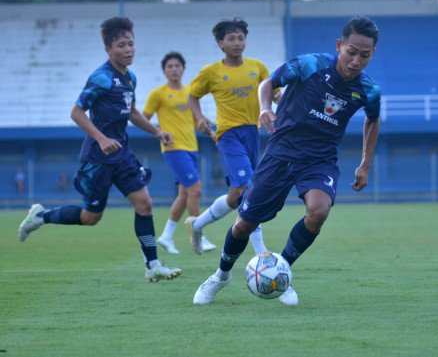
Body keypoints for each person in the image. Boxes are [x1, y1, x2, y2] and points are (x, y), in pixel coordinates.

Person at [192, 16, 381, 306]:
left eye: (364, 55)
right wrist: (265, 108)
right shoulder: (310, 64)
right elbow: (269, 82)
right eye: (351, 52)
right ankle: (220, 275)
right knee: (244, 224)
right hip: (281, 153)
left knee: (318, 211)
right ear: (339, 45)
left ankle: (282, 271)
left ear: (372, 54)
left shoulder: (368, 90)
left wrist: (365, 162)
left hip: (320, 159)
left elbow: (372, 119)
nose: (356, 60)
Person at [18, 16, 182, 283]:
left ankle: (152, 266)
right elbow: (76, 112)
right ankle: (41, 216)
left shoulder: (130, 78)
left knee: (145, 204)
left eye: (131, 44)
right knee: (90, 217)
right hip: (98, 156)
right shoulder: (101, 78)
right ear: (108, 49)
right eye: (121, 45)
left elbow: (131, 112)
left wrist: (157, 131)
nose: (128, 49)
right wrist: (102, 138)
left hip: (123, 154)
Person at [186, 18, 276, 255]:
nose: (237, 43)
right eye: (231, 38)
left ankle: (196, 225)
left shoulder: (257, 67)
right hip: (227, 134)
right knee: (249, 188)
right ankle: (261, 253)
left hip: (252, 134)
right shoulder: (211, 72)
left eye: (241, 38)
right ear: (220, 43)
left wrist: (279, 101)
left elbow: (273, 93)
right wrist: (199, 117)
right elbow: (192, 96)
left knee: (236, 196)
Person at [142, 51, 216, 255]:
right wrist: (159, 133)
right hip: (173, 149)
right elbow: (143, 118)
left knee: (184, 195)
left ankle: (166, 236)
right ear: (164, 71)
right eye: (169, 66)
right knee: (196, 189)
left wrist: (210, 132)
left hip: (192, 147)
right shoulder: (158, 94)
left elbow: (195, 122)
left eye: (177, 66)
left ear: (183, 69)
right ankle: (198, 237)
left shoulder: (190, 94)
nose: (174, 69)